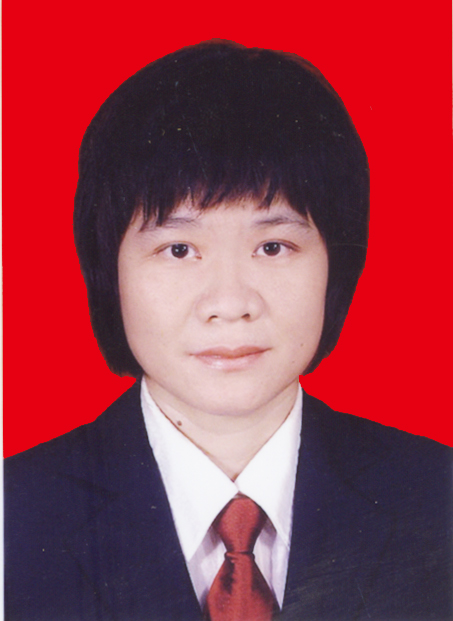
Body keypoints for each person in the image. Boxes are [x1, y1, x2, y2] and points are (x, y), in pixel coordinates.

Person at [4, 40, 452, 621]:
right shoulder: (14, 519)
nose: (230, 304)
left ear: (337, 264)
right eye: (179, 248)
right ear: (108, 272)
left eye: (273, 246)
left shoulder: (438, 499)